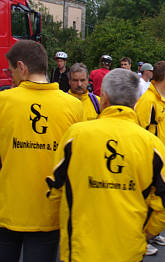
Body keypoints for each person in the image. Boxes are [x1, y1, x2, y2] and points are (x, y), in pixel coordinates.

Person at [46, 68, 165, 262]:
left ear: (104, 98)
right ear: (136, 101)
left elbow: (55, 191)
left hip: (80, 249)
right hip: (128, 250)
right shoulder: (151, 145)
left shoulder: (75, 136)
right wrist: (142, 234)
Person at [0, 40, 83, 262]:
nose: (12, 77)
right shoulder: (74, 106)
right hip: (49, 212)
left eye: (11, 71)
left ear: (22, 67)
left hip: (7, 208)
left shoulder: (3, 101)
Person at [135, 61, 165, 255]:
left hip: (162, 159)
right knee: (146, 200)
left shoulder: (162, 98)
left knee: (156, 199)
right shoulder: (148, 100)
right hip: (150, 159)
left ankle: (153, 233)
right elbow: (139, 131)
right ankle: (141, 239)